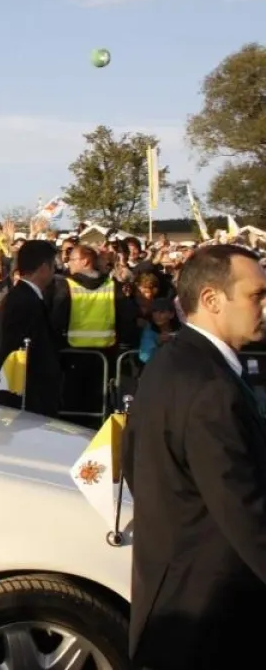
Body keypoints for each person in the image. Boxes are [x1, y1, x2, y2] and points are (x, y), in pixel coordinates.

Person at [121, 244, 266, 669]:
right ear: (211, 299)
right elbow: (242, 508)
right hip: (211, 616)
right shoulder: (209, 387)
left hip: (176, 595)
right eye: (256, 295)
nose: (263, 307)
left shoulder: (174, 362)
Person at [0, 239, 62, 417]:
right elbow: (10, 351)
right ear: (43, 268)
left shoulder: (26, 297)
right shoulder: (23, 301)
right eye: (53, 266)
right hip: (24, 398)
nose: (54, 272)